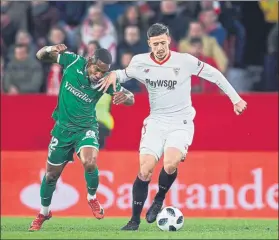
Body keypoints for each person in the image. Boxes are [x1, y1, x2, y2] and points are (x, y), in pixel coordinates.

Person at [98, 23, 247, 231]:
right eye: (155, 44)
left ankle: (159, 199)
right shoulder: (140, 61)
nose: (159, 47)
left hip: (181, 122)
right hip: (156, 121)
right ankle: (134, 220)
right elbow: (123, 74)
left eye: (162, 42)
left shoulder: (184, 61)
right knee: (145, 169)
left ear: (168, 40)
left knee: (170, 164)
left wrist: (235, 99)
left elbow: (214, 74)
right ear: (149, 43)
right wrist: (113, 74)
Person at [28, 45, 134, 231]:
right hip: (62, 130)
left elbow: (131, 98)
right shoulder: (73, 61)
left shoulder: (106, 81)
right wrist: (52, 48)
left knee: (90, 161)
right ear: (90, 61)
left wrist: (122, 96)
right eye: (97, 69)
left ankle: (92, 198)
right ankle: (44, 212)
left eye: (104, 72)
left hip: (86, 128)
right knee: (51, 175)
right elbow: (40, 54)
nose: (100, 74)